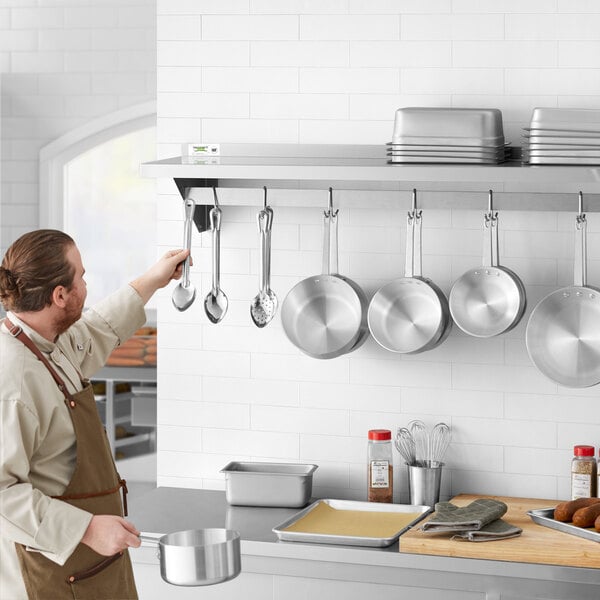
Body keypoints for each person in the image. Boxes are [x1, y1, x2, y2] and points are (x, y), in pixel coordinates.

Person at [0, 229, 189, 600]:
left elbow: (96, 330)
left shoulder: (46, 342)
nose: (86, 285)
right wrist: (86, 529)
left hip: (87, 566)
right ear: (59, 295)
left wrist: (152, 280)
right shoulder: (14, 379)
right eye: (82, 277)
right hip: (48, 574)